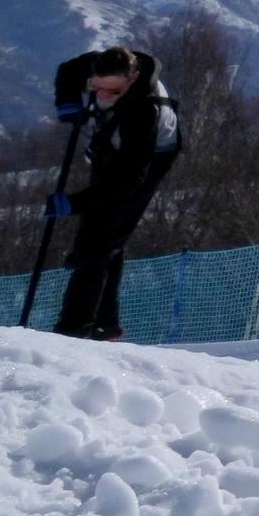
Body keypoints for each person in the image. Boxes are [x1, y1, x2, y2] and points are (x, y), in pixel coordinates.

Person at [48, 47, 184, 343]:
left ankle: (75, 329)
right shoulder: (101, 64)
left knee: (100, 241)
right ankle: (104, 325)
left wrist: (76, 202)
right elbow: (69, 69)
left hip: (145, 164)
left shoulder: (142, 112)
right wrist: (68, 101)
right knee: (101, 238)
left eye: (113, 91)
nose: (103, 96)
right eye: (97, 89)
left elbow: (127, 180)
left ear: (132, 79)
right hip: (112, 151)